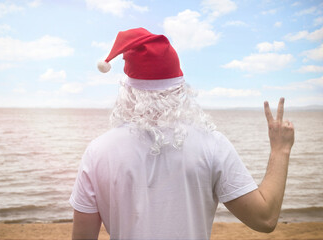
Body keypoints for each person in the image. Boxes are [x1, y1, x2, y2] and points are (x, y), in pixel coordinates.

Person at [69, 28, 295, 240]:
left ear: (128, 91)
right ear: (180, 90)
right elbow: (264, 218)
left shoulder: (97, 152)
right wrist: (280, 149)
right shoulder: (212, 145)